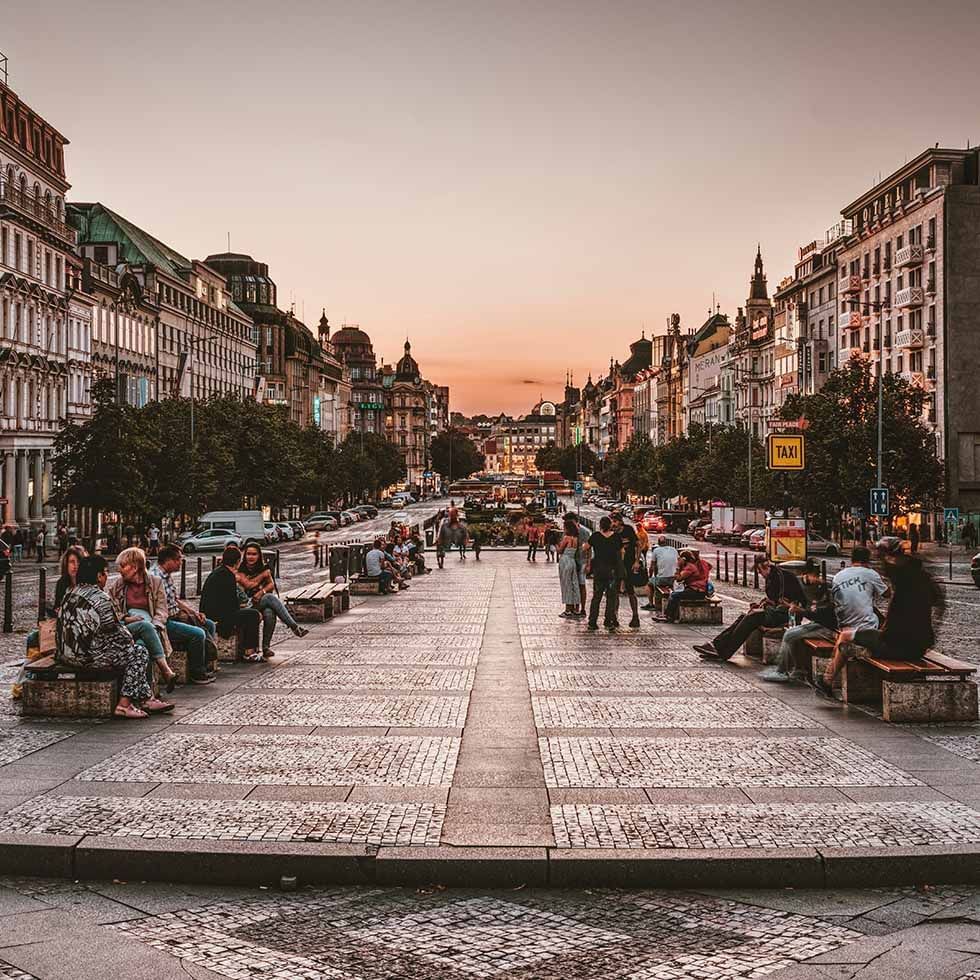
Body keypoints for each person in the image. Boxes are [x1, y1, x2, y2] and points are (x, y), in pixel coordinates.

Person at [817, 537, 944, 696]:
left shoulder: (902, 582)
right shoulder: (924, 580)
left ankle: (827, 680)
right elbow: (938, 604)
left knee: (845, 637)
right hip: (919, 647)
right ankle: (828, 679)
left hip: (894, 645)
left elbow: (889, 572)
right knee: (863, 634)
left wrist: (882, 553)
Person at [57, 555, 173, 719]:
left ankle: (147, 698)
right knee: (139, 652)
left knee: (133, 648)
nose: (106, 577)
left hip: (66, 654)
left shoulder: (70, 593)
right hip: (87, 658)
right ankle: (124, 705)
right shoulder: (100, 598)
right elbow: (120, 634)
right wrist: (129, 641)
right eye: (105, 572)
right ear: (98, 576)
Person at [695, 554, 804, 659]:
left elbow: (781, 602)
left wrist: (766, 605)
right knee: (744, 617)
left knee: (752, 618)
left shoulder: (780, 577)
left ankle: (724, 652)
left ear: (765, 567)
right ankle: (716, 645)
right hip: (777, 611)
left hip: (787, 614)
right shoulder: (772, 577)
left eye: (760, 571)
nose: (760, 574)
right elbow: (774, 601)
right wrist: (762, 604)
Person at [760, 558, 842, 684]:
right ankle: (797, 669)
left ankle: (782, 671)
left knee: (790, 634)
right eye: (809, 577)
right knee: (792, 632)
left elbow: (823, 615)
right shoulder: (815, 588)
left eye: (814, 577)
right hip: (821, 623)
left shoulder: (827, 589)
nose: (812, 580)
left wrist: (803, 611)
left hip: (828, 627)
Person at [109, 547, 178, 692]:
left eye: (122, 566)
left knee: (141, 646)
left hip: (151, 628)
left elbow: (162, 610)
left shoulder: (155, 582)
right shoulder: (118, 586)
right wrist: (127, 618)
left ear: (134, 568)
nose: (119, 570)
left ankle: (147, 691)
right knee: (143, 637)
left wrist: (155, 625)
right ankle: (165, 673)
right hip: (127, 630)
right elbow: (112, 609)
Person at [152, 544, 216, 684]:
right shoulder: (156, 578)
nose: (181, 563)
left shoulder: (166, 576)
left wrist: (193, 612)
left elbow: (174, 599)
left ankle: (207, 663)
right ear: (169, 560)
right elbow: (157, 608)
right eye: (179, 560)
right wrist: (181, 616)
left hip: (177, 615)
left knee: (208, 624)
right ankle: (196, 672)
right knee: (198, 634)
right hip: (166, 622)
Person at [200, 545, 262, 662]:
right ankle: (249, 652)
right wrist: (242, 606)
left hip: (212, 612)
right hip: (220, 616)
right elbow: (231, 604)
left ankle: (248, 649)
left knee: (250, 613)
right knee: (254, 614)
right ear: (237, 562)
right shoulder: (227, 575)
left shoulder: (219, 572)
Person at [582, 515, 623, 631]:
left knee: (597, 597)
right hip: (612, 571)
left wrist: (588, 560)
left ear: (600, 525)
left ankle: (592, 622)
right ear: (610, 525)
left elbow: (585, 548)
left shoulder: (595, 536)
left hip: (599, 570)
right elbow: (621, 553)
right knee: (611, 597)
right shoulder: (616, 537)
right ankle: (608, 620)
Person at [663, 549, 712, 623]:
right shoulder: (702, 563)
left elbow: (678, 579)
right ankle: (672, 615)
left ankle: (669, 616)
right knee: (678, 594)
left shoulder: (689, 567)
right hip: (701, 590)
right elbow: (710, 566)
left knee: (674, 595)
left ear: (683, 559)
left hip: (696, 591)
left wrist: (678, 567)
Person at [610, 513, 641, 628]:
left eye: (614, 521)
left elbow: (638, 545)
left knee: (631, 591)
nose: (613, 524)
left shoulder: (628, 530)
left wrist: (637, 561)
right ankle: (614, 617)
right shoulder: (612, 533)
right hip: (616, 566)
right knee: (615, 592)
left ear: (620, 521)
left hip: (629, 564)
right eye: (611, 521)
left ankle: (635, 616)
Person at [557, 515, 584, 618]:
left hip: (565, 560)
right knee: (574, 584)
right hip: (572, 561)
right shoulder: (576, 539)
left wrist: (555, 544)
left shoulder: (566, 538)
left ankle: (568, 609)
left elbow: (560, 551)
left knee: (566, 584)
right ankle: (575, 608)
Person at [644, 536, 679, 610]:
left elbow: (652, 566)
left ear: (658, 543)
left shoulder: (656, 550)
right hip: (673, 578)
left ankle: (651, 604)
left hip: (662, 579)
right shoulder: (674, 549)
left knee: (649, 584)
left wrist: (650, 576)